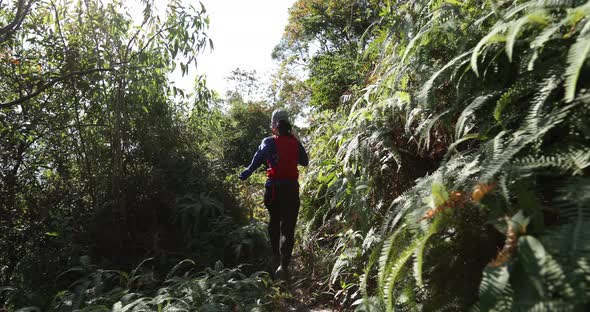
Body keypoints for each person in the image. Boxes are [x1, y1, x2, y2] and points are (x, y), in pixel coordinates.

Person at [238, 109, 309, 280]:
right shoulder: (295, 142)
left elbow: (256, 160)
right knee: (288, 229)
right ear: (288, 123)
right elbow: (304, 162)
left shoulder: (268, 142)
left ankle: (275, 256)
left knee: (274, 221)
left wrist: (246, 173)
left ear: (273, 126)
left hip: (274, 191)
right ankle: (283, 267)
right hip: (291, 189)